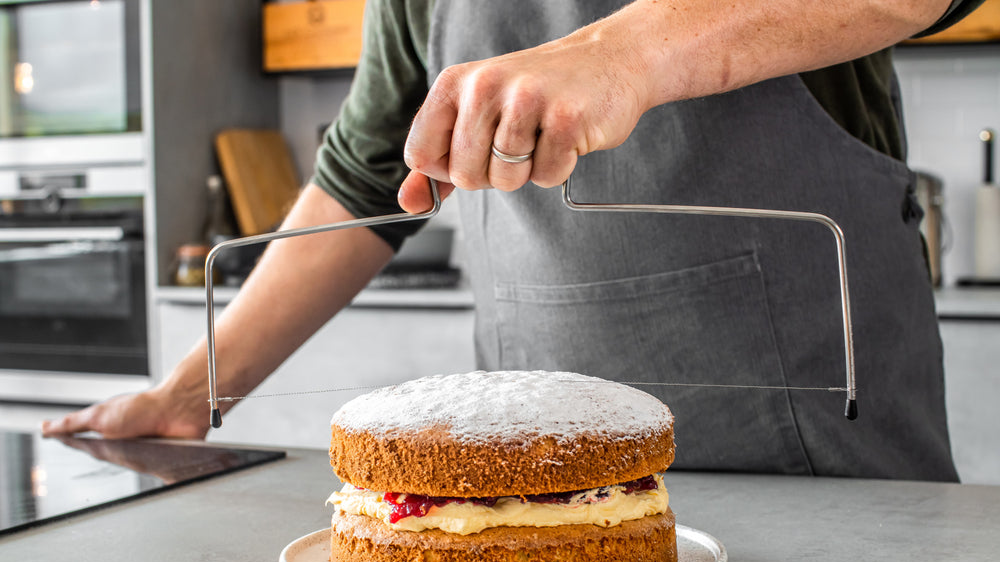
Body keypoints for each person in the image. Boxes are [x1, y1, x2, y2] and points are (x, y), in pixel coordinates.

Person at [44, 0, 981, 481]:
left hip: (823, 464)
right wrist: (189, 393)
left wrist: (623, 55)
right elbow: (366, 179)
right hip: (528, 491)